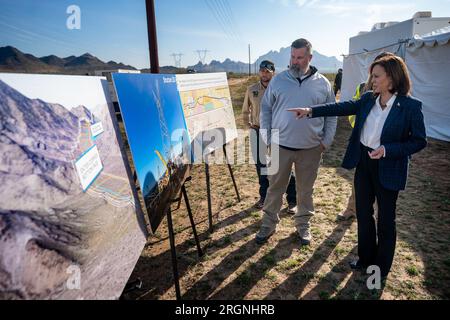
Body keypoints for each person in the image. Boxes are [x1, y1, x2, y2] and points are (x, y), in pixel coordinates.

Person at [288, 55, 427, 279]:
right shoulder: (368, 99)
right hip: (364, 162)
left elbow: (419, 141)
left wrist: (388, 149)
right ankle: (365, 259)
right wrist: (311, 110)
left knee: (385, 221)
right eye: (372, 75)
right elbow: (341, 107)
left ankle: (380, 269)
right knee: (363, 214)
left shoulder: (410, 107)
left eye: (376, 76)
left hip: (388, 166)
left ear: (392, 78)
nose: (372, 80)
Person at [256, 38, 337, 245]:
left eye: (300, 57)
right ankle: (268, 224)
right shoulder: (278, 80)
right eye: (292, 56)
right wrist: (267, 136)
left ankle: (303, 226)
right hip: (278, 146)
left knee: (305, 191)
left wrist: (325, 141)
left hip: (310, 149)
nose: (295, 61)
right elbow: (265, 108)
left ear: (310, 57)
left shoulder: (323, 83)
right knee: (274, 187)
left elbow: (332, 114)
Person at [338, 51, 396, 221]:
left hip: (384, 147)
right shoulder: (363, 86)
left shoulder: (396, 90)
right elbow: (353, 109)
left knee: (381, 189)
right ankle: (352, 209)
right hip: (364, 143)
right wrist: (359, 125)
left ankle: (376, 218)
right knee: (359, 183)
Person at [242, 60, 297, 211]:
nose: (264, 73)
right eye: (262, 70)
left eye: (267, 71)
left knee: (282, 165)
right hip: (258, 131)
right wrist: (249, 126)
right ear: (259, 72)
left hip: (277, 132)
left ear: (273, 72)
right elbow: (245, 111)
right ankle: (264, 196)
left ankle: (293, 200)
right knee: (261, 166)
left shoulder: (281, 88)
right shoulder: (251, 89)